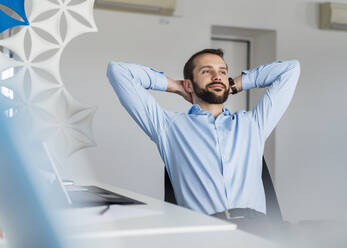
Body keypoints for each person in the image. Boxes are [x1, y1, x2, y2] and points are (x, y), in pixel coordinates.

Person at [106, 49, 300, 236]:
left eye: (222, 72)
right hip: (204, 232)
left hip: (257, 231)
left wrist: (235, 84)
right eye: (206, 71)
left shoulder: (254, 124)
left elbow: (290, 69)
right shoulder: (168, 127)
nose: (217, 77)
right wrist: (175, 86)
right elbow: (118, 71)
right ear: (189, 85)